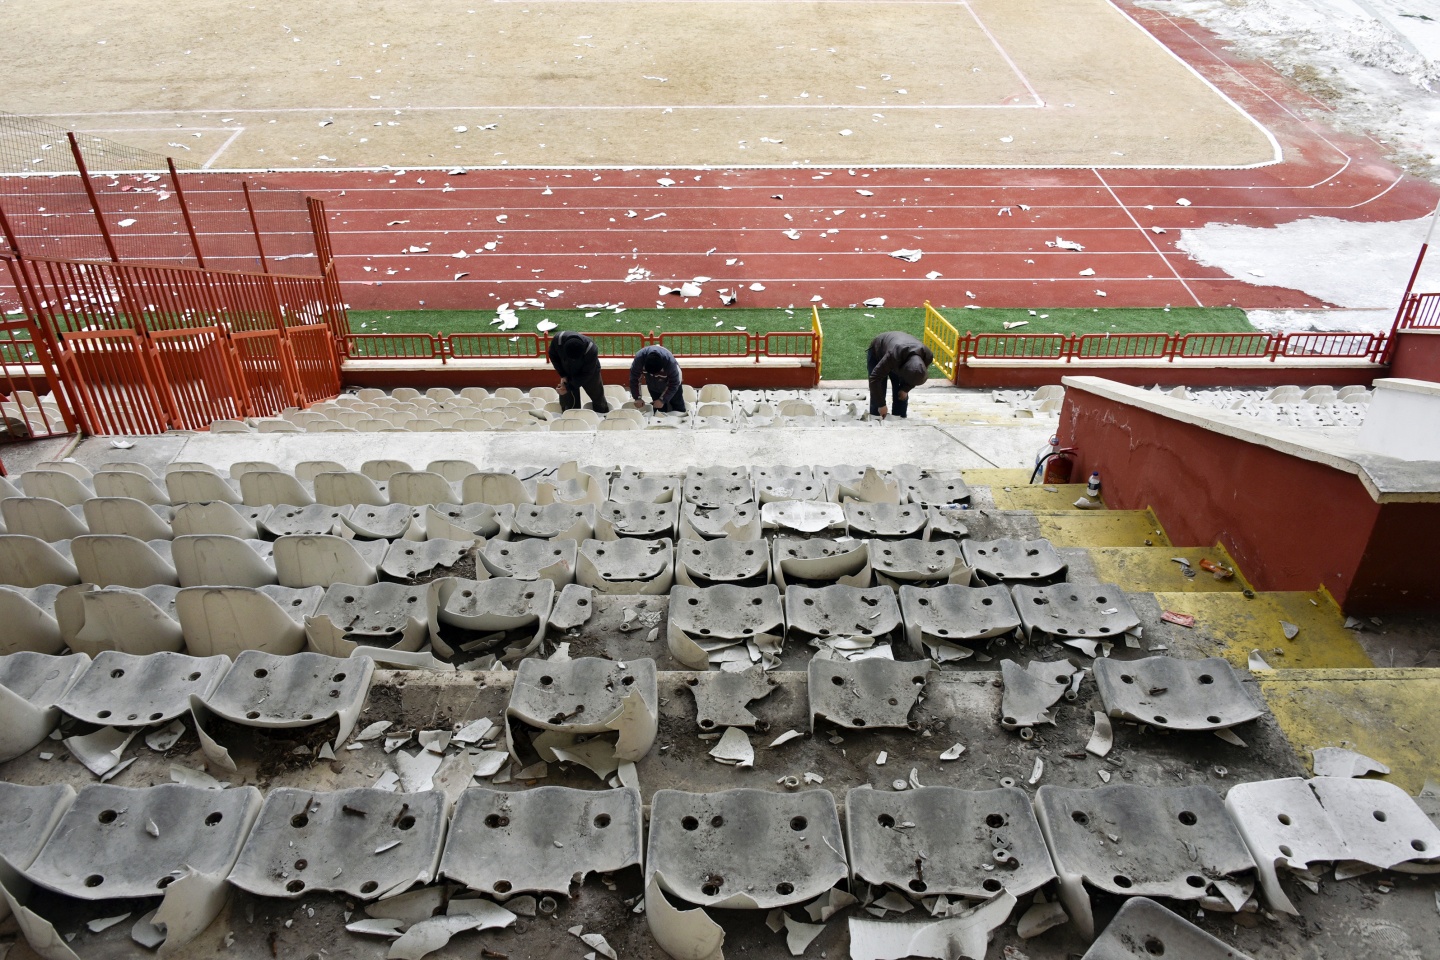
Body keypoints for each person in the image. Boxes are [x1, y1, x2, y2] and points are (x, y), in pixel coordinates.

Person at [866, 331, 933, 419]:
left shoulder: (927, 356)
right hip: (878, 352)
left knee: (901, 394)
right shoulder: (893, 355)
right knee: (879, 391)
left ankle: (899, 418)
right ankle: (876, 418)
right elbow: (875, 379)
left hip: (899, 356)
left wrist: (906, 389)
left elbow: (917, 376)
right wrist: (881, 405)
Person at [548, 331, 610, 414]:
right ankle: (571, 415)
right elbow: (553, 356)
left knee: (597, 396)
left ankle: (602, 413)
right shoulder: (558, 341)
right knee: (568, 399)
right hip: (567, 370)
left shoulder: (591, 349)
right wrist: (563, 375)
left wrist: (569, 387)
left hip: (589, 372)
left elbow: (587, 373)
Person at [629, 344, 686, 414]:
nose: (655, 376)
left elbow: (674, 383)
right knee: (659, 411)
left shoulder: (670, 364)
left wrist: (663, 400)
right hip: (653, 385)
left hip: (673, 386)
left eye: (656, 374)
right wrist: (637, 398)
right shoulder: (639, 359)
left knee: (677, 407)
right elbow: (634, 379)